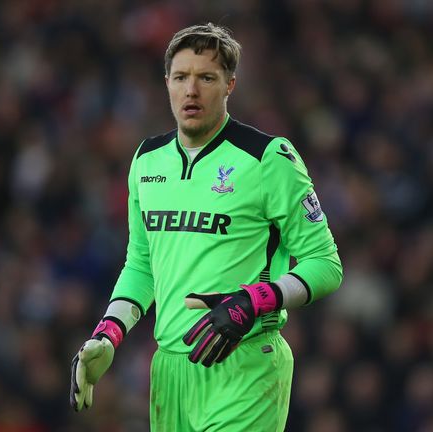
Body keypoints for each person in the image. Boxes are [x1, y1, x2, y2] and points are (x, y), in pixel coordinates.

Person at [69, 23, 344, 431]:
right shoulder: (147, 161)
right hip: (170, 372)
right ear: (166, 83)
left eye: (206, 78)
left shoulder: (268, 158)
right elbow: (143, 264)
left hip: (246, 363)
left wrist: (255, 300)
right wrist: (109, 332)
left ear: (230, 85)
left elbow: (326, 264)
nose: (191, 91)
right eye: (181, 78)